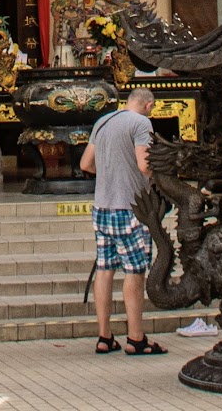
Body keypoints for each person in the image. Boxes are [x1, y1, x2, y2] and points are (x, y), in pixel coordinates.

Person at [80, 85, 166, 355]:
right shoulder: (142, 123)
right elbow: (144, 164)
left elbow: (85, 164)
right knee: (135, 269)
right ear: (148, 105)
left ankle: (105, 336)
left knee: (105, 268)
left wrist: (108, 174)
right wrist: (159, 176)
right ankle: (136, 338)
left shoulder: (102, 120)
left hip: (102, 206)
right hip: (131, 208)